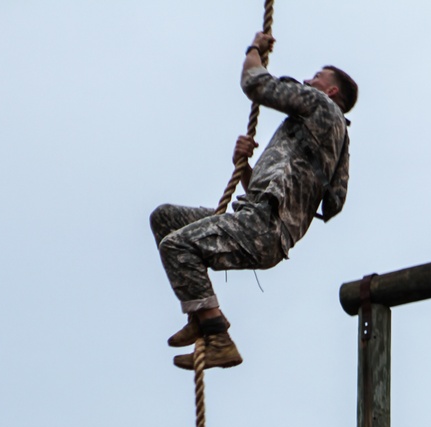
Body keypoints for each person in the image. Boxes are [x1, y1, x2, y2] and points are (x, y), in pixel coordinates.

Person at [150, 29, 357, 371]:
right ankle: (202, 317)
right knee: (165, 218)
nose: (308, 80)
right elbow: (260, 191)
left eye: (317, 77)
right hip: (258, 220)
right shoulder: (308, 135)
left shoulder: (323, 109)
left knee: (176, 246)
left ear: (331, 90)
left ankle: (217, 335)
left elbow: (255, 84)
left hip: (264, 227)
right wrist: (243, 167)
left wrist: (254, 50)